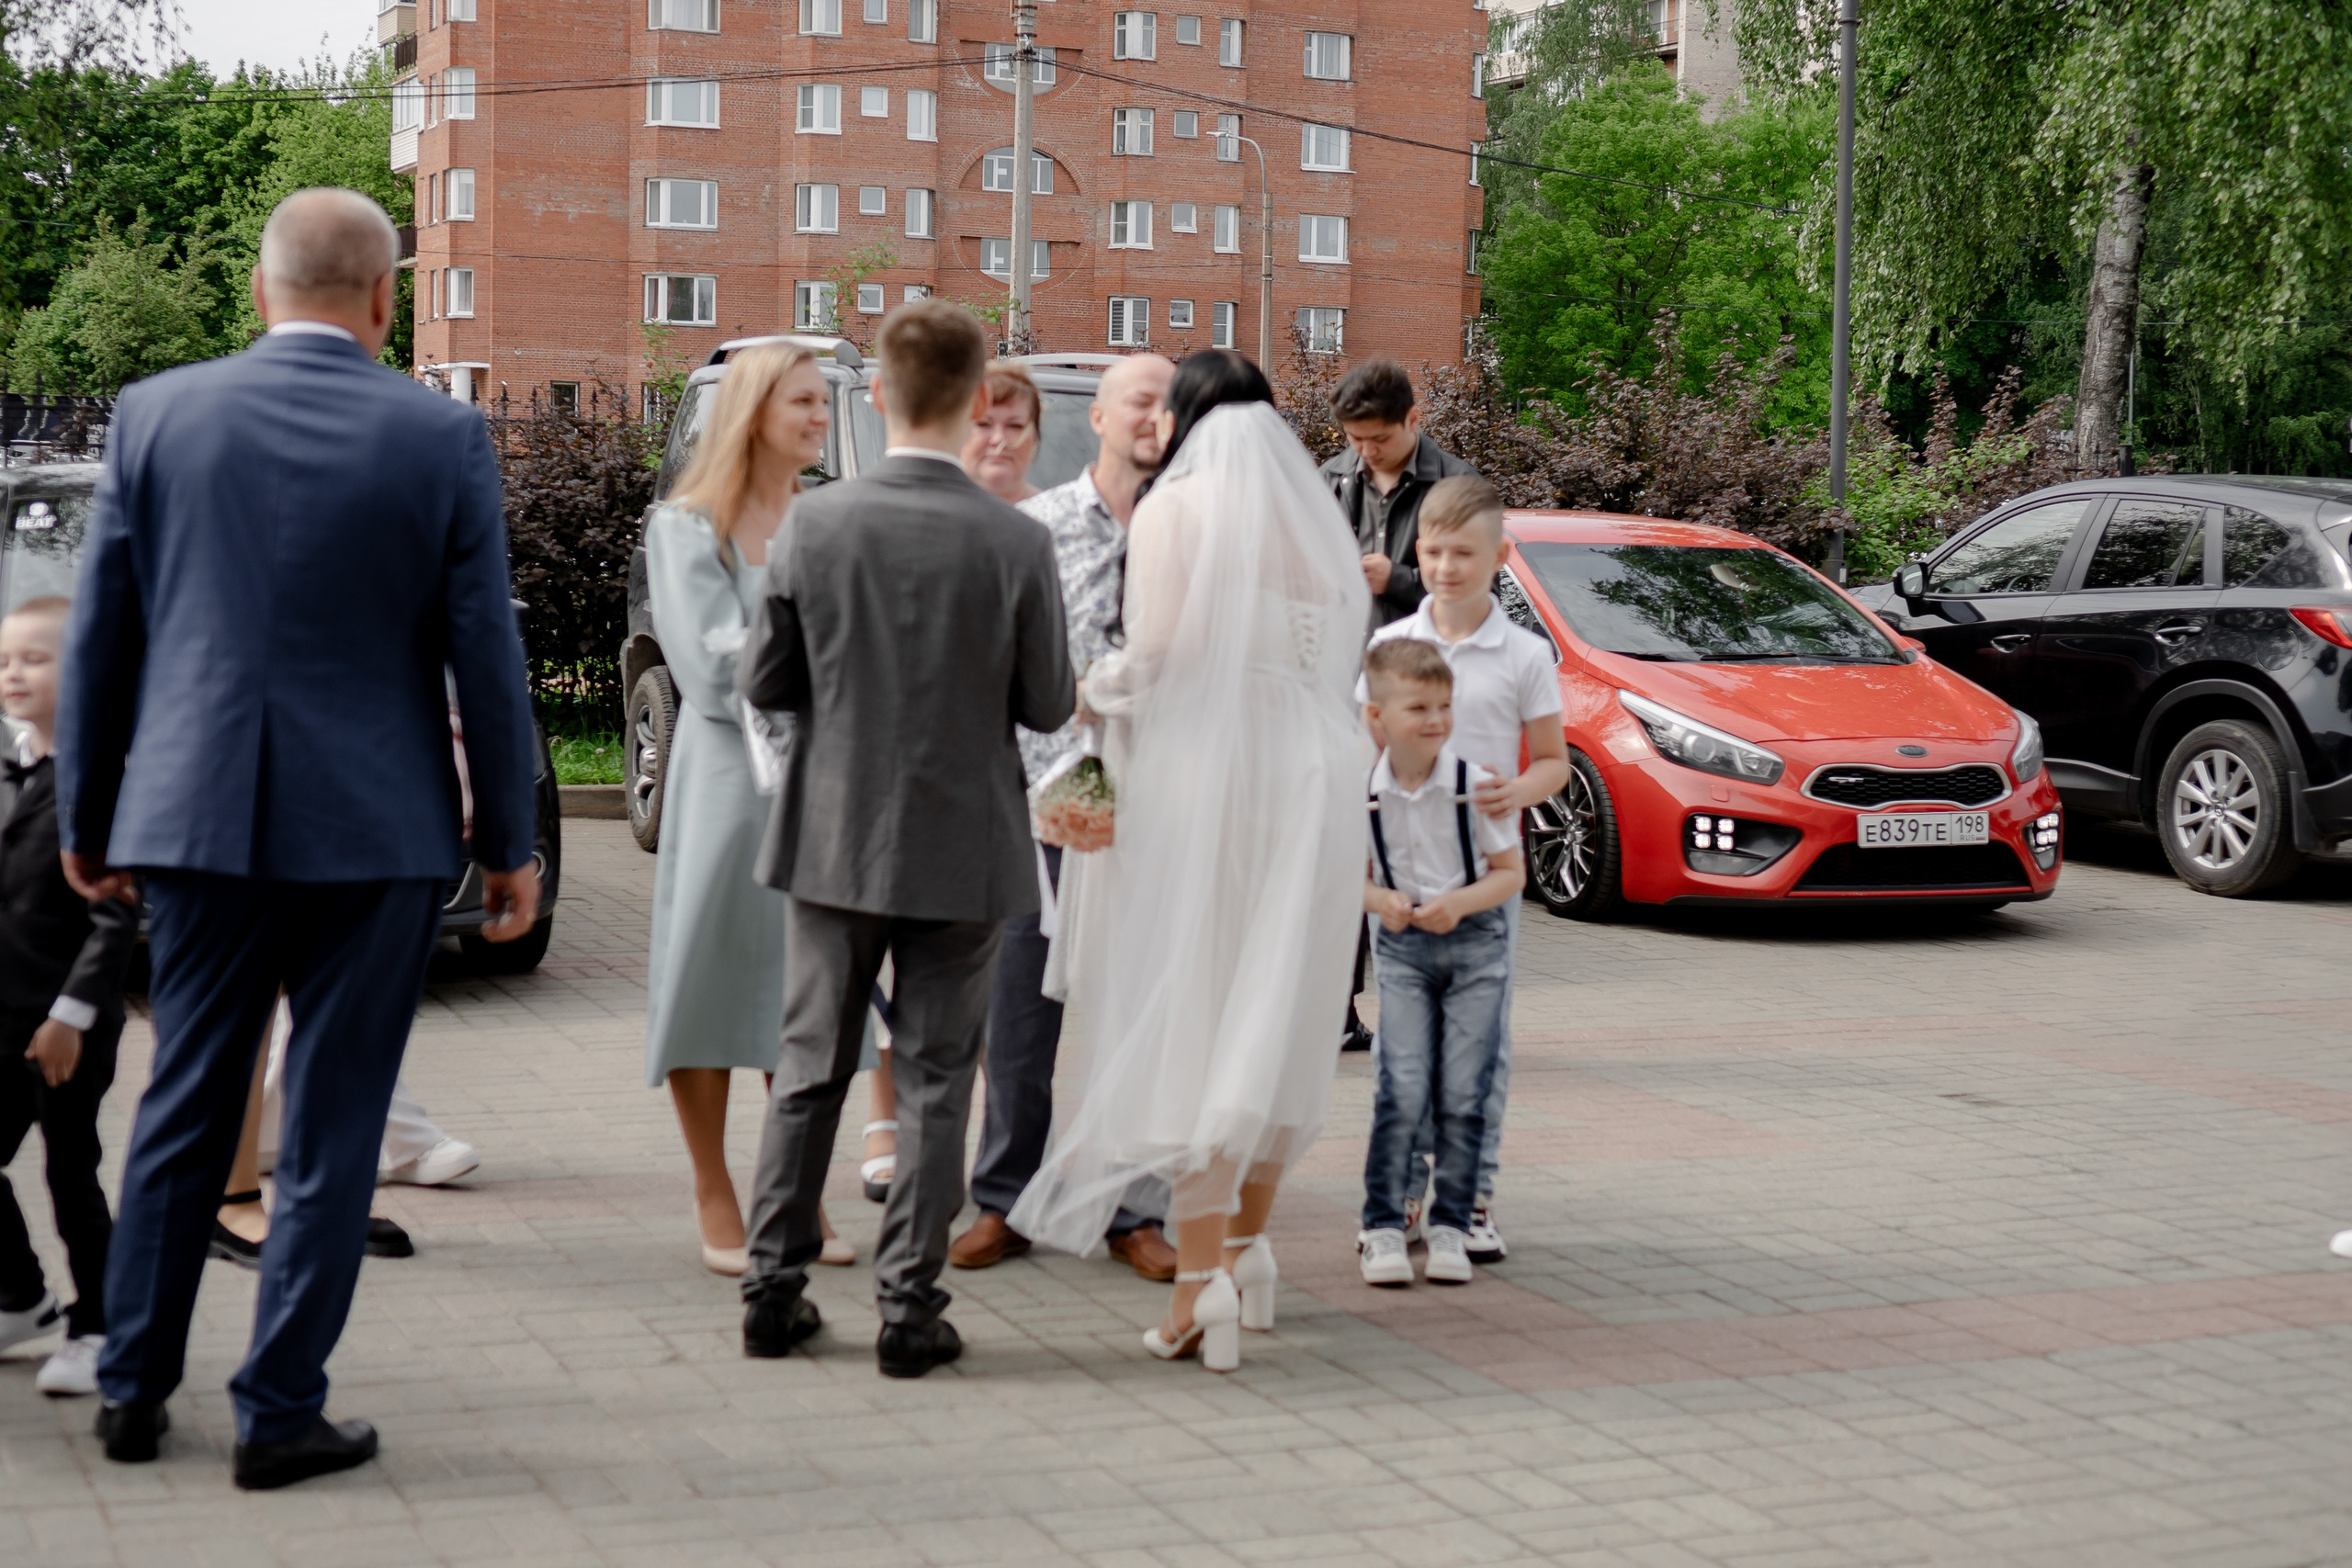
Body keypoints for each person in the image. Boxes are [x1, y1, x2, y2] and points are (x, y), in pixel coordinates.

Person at [56, 188, 542, 1489]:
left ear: (261, 294)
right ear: (387, 299)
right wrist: (512, 836)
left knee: (181, 1103)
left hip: (194, 819)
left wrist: (86, 814)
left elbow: (104, 634)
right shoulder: (442, 434)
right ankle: (279, 1409)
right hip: (375, 829)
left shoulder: (157, 414)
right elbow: (484, 650)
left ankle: (129, 1386)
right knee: (328, 1125)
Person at [1008, 350, 1371, 1374]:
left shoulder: (1180, 508)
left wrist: (1090, 692)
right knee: (1280, 1004)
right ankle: (1247, 1257)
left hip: (1214, 778)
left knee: (1205, 1009)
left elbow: (1159, 651)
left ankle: (1196, 1284)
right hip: (1313, 775)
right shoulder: (1312, 523)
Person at [734, 299, 1072, 1378]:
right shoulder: (1017, 539)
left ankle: (771, 1288)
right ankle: (908, 1310)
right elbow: (1049, 703)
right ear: (979, 402)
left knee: (808, 1068)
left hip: (831, 831)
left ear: (873, 395)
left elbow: (767, 682)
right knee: (936, 1082)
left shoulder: (813, 526)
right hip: (963, 842)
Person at [950, 352, 1178, 1280]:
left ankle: (1138, 1208)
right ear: (1100, 417)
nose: (1153, 419)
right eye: (1138, 401)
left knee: (1143, 1017)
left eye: (1169, 405)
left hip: (1162, 809)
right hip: (1045, 801)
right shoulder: (1038, 528)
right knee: (1019, 1012)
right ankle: (1003, 1197)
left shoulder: (1190, 532)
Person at [640, 342, 857, 1278]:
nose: (821, 416)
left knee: (805, 989)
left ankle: (795, 1186)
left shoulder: (826, 519)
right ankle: (712, 1187)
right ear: (754, 411)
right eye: (805, 401)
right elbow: (717, 670)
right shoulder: (688, 526)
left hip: (823, 779)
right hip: (730, 782)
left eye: (824, 402)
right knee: (712, 976)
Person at [1363, 476, 1568, 1266]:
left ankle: (1471, 1198)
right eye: (1435, 552)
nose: (1447, 568)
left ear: (1501, 558)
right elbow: (1363, 748)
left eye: (1466, 554)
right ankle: (1403, 1195)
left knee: (1482, 1053)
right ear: (1418, 551)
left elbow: (1550, 761)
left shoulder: (1524, 653)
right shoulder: (1391, 646)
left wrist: (1520, 788)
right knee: (1402, 1052)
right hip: (1404, 875)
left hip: (1487, 877)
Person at [1354, 637, 1525, 1288]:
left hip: (1476, 945)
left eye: (1445, 706)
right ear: (1376, 718)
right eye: (1418, 707)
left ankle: (1452, 1225)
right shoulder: (1362, 793)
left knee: (1462, 1090)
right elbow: (1342, 877)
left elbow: (1510, 874)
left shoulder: (1475, 787)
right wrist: (1379, 899)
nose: (1435, 720)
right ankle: (1382, 1226)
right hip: (1402, 949)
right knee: (1401, 1086)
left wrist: (1459, 904)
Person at [0, 598, 135, 1397]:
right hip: (3, 1016)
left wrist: (69, 1015)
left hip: (66, 1027)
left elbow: (114, 918)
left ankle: (100, 1326)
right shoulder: (10, 768)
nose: (13, 672)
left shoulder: (98, 779)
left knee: (70, 1174)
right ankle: (21, 1298)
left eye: (34, 659)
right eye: (5, 659)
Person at [1319, 358, 1476, 629]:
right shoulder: (1326, 480)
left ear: (1412, 419)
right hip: (1344, 665)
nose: (1367, 452)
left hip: (1427, 666)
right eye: (1355, 438)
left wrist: (1397, 580)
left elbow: (1482, 598)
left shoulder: (1459, 485)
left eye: (1381, 439)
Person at [959, 362, 1046, 505]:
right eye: (984, 424)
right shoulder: (928, 515)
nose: (999, 439)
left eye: (1015, 426)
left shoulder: (1056, 521)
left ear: (1035, 437)